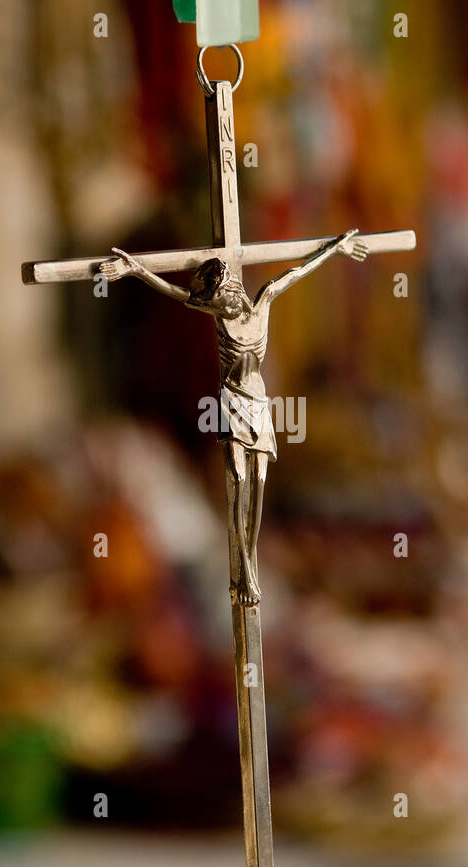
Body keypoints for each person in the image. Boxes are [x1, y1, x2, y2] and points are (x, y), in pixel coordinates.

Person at [100, 230, 368, 604]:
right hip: (231, 408)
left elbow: (297, 272)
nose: (221, 300)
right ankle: (242, 572)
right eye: (215, 297)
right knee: (237, 484)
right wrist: (134, 269)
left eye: (222, 292)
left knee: (257, 487)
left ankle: (249, 567)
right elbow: (173, 293)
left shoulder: (263, 304)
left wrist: (334, 248)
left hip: (258, 406)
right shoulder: (217, 315)